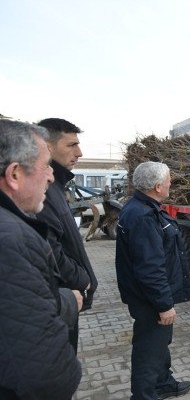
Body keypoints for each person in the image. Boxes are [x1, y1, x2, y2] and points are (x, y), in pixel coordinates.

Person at [0, 119, 81, 399]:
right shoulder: (12, 240)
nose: (50, 176)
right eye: (46, 165)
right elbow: (46, 375)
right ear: (14, 174)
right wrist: (71, 298)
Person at [115, 161, 190, 399]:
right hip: (149, 299)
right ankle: (144, 394)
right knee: (149, 349)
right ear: (158, 186)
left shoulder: (142, 207)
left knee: (160, 342)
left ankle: (162, 383)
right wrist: (164, 305)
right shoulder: (142, 216)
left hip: (151, 297)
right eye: (168, 179)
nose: (171, 182)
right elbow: (149, 268)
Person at [35, 118, 98, 352]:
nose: (79, 152)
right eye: (71, 145)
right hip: (59, 299)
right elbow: (48, 248)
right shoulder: (42, 189)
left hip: (67, 298)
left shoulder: (55, 186)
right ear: (47, 146)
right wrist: (82, 279)